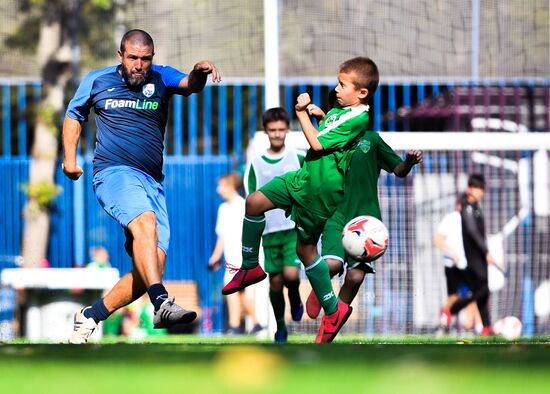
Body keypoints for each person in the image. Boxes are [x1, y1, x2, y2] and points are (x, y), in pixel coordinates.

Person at [62, 29, 221, 344]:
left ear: (152, 58)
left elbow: (189, 85)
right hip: (114, 174)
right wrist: (70, 159)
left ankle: (90, 315)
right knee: (146, 226)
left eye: (145, 59)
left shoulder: (161, 78)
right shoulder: (97, 80)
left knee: (150, 269)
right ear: (120, 55)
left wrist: (198, 72)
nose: (139, 65)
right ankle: (161, 302)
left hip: (153, 183)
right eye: (133, 57)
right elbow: (73, 115)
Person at [223, 57, 379, 343]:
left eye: (342, 84)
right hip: (306, 178)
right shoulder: (344, 110)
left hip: (321, 191)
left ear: (362, 93)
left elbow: (318, 143)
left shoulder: (360, 117)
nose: (336, 88)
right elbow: (332, 134)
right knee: (254, 202)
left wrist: (302, 114)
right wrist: (320, 114)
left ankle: (332, 310)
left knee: (306, 250)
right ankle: (249, 266)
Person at [303, 99, 422, 319]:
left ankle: (332, 322)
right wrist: (319, 118)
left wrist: (408, 163)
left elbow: (398, 169)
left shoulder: (372, 140)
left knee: (356, 277)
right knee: (331, 264)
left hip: (365, 219)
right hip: (335, 213)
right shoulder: (331, 139)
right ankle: (318, 287)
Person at [244, 107, 305, 343]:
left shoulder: (298, 157)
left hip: (292, 229)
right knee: (276, 280)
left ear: (288, 130)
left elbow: (308, 188)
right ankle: (280, 327)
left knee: (291, 275)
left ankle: (296, 297)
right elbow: (252, 199)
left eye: (281, 130)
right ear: (266, 131)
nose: (277, 135)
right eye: (273, 131)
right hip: (269, 233)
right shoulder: (256, 164)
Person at [208, 173, 263, 335]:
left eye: (221, 185)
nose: (218, 189)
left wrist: (215, 257)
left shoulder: (243, 206)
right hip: (231, 257)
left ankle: (234, 325)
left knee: (230, 289)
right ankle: (255, 323)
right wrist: (216, 257)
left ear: (230, 186)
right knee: (239, 292)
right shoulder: (223, 208)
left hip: (242, 258)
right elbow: (222, 236)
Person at [448, 174, 496, 336]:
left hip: (479, 256)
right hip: (474, 257)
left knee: (483, 290)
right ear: (470, 189)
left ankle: (487, 328)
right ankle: (453, 309)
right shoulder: (467, 206)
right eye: (477, 188)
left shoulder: (475, 206)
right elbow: (473, 232)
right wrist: (486, 251)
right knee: (483, 290)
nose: (480, 191)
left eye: (482, 188)